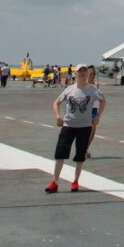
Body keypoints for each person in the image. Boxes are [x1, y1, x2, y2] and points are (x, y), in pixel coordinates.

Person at [47, 63, 105, 193]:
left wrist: (98, 116)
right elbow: (56, 102)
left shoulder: (93, 90)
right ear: (76, 74)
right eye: (80, 72)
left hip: (85, 127)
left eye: (84, 72)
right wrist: (57, 116)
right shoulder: (69, 89)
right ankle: (55, 182)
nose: (82, 74)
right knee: (60, 154)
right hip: (68, 126)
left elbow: (103, 101)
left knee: (80, 156)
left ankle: (75, 181)